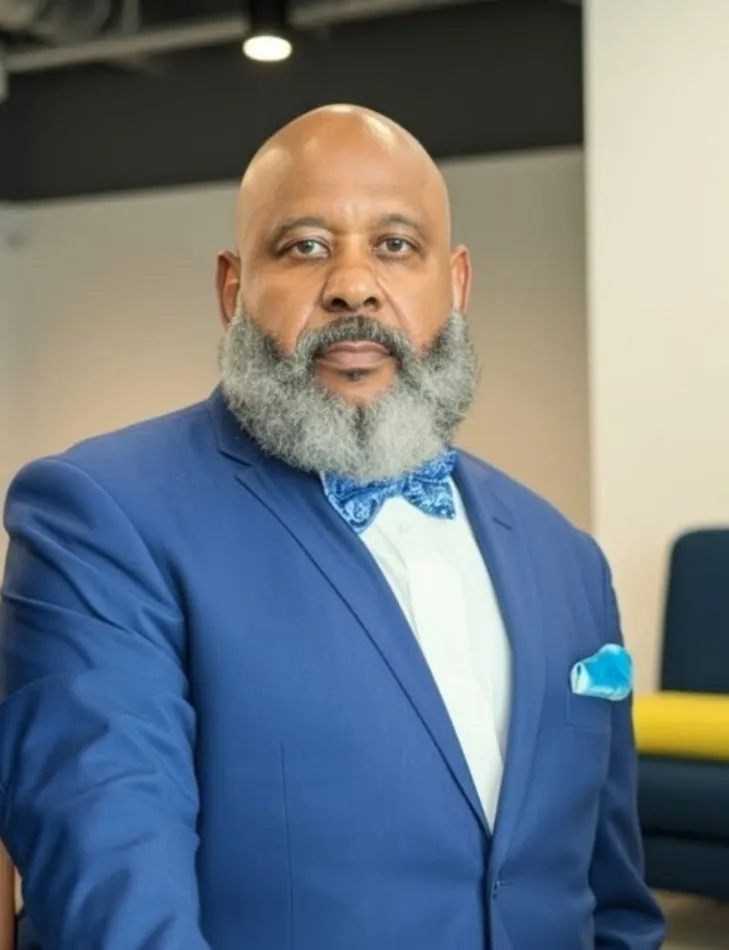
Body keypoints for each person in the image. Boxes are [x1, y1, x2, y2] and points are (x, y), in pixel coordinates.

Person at [0, 104, 665, 950]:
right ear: (232, 290)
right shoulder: (102, 514)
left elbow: (611, 902)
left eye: (394, 245)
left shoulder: (564, 555)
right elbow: (112, 899)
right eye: (305, 245)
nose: (353, 284)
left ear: (454, 285)